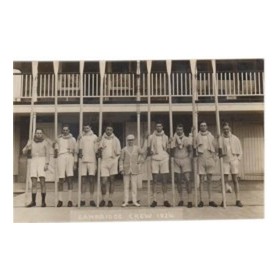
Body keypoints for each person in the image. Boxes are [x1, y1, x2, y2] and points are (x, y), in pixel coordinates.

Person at [23, 128, 50, 207]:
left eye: (40, 133)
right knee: (34, 183)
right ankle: (33, 201)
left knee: (42, 182)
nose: (39, 134)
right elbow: (24, 152)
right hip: (33, 161)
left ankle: (43, 202)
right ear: (35, 134)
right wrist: (27, 147)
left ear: (42, 134)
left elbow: (48, 154)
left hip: (42, 160)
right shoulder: (31, 141)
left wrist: (47, 164)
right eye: (37, 133)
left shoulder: (45, 142)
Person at [194, 121, 218, 207]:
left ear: (207, 127)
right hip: (201, 158)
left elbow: (215, 147)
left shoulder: (211, 136)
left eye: (204, 125)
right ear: (200, 127)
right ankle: (201, 200)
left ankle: (211, 200)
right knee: (201, 181)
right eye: (201, 126)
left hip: (210, 158)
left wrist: (214, 157)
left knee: (210, 180)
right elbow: (194, 146)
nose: (203, 127)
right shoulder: (196, 136)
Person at [147, 121, 171, 207]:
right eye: (157, 126)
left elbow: (168, 149)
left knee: (164, 181)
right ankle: (154, 200)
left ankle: (165, 200)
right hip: (154, 159)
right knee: (155, 180)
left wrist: (170, 144)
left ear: (162, 127)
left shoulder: (166, 137)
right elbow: (148, 149)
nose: (158, 128)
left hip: (164, 159)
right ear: (155, 127)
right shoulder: (151, 137)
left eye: (160, 126)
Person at [219, 122, 243, 207]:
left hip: (233, 161)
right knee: (224, 181)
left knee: (235, 180)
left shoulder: (235, 138)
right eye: (224, 129)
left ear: (230, 129)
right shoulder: (220, 139)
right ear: (222, 129)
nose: (226, 130)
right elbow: (217, 150)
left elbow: (240, 151)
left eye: (227, 129)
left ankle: (238, 200)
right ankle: (224, 200)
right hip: (225, 161)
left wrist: (238, 160)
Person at [97, 125, 121, 207]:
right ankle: (103, 199)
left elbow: (119, 152)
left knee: (112, 180)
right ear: (105, 130)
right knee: (103, 182)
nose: (109, 131)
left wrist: (115, 160)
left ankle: (110, 200)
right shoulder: (101, 139)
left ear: (112, 130)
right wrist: (98, 144)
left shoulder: (116, 140)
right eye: (107, 129)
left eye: (110, 129)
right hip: (104, 161)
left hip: (113, 161)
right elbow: (97, 150)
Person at [54, 124, 77, 207]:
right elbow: (55, 150)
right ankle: (60, 200)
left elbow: (75, 152)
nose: (65, 131)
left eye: (67, 130)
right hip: (61, 157)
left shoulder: (73, 139)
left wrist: (75, 162)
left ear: (69, 131)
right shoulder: (59, 139)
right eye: (64, 130)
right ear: (62, 131)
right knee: (61, 179)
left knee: (70, 178)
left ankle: (70, 200)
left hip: (70, 157)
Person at [171, 124, 193, 207]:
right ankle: (181, 200)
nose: (179, 131)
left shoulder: (187, 139)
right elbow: (171, 150)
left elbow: (190, 150)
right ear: (176, 130)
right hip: (176, 160)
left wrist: (189, 159)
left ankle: (189, 200)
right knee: (179, 181)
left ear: (183, 130)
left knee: (188, 180)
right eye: (178, 129)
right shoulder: (173, 139)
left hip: (185, 159)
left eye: (181, 129)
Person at [119, 134, 143, 207]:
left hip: (134, 169)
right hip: (126, 170)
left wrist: (139, 162)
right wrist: (121, 169)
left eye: (132, 140)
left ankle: (134, 201)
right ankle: (125, 201)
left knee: (134, 186)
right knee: (126, 186)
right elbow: (121, 160)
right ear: (127, 141)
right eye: (129, 140)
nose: (130, 141)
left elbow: (142, 154)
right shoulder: (124, 149)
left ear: (134, 140)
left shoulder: (137, 148)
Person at [77, 123, 98, 207]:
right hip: (83, 161)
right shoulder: (81, 137)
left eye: (88, 128)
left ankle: (92, 199)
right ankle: (82, 199)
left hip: (92, 161)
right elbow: (78, 148)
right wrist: (78, 140)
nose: (86, 129)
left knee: (92, 180)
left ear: (90, 128)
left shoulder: (95, 137)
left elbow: (96, 149)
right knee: (83, 181)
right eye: (85, 128)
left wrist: (98, 142)